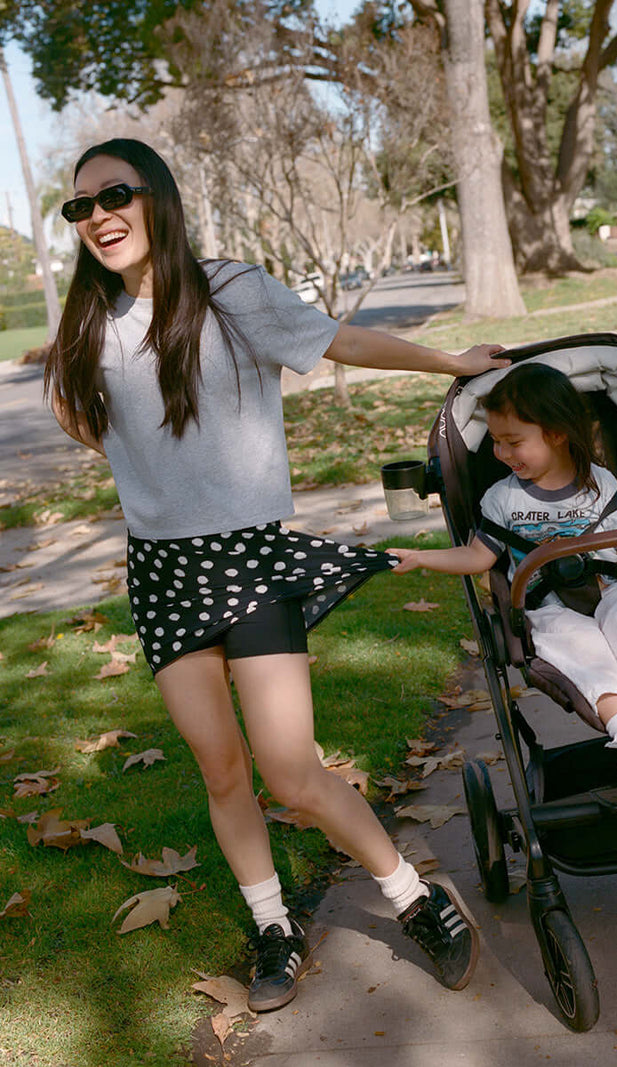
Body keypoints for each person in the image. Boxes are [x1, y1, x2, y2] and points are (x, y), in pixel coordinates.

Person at [45, 138, 509, 1010]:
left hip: (250, 559)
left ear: (157, 199)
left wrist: (450, 363)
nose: (97, 217)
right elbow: (79, 408)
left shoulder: (231, 292)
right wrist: (142, 476)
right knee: (223, 771)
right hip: (164, 574)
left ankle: (414, 898)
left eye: (113, 195)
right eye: (79, 208)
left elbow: (340, 342)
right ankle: (274, 927)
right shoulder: (90, 323)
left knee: (289, 772)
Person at [389, 362, 617, 796]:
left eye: (513, 442)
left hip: (613, 585)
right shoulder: (502, 499)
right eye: (496, 441)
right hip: (547, 604)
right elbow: (479, 556)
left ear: (556, 433)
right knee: (585, 652)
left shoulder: (599, 484)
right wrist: (421, 557)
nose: (501, 453)